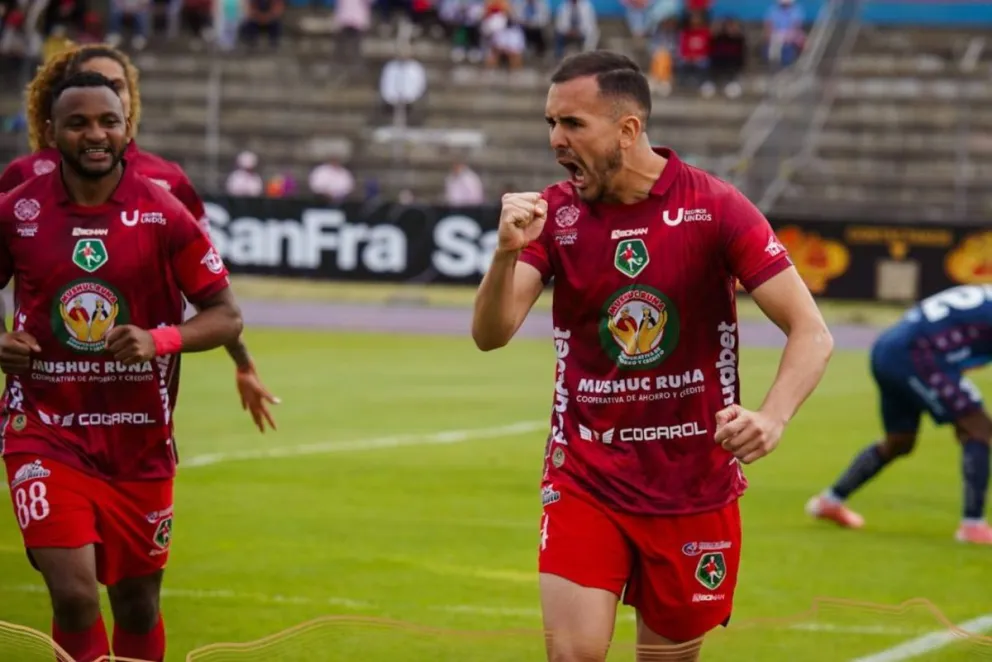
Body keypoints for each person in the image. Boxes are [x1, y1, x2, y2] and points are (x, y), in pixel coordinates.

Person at [471, 51, 833, 662]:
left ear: (628, 129)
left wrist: (771, 416)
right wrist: (505, 253)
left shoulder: (715, 207)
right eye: (550, 124)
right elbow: (492, 332)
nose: (557, 141)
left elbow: (811, 331)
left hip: (692, 486)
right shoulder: (555, 214)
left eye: (573, 124)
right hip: (584, 473)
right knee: (572, 656)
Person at [0, 71, 244, 662]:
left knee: (137, 603)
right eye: (78, 122)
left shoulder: (163, 212)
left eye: (108, 121)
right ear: (52, 131)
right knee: (76, 595)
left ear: (126, 127)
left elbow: (226, 314)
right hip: (44, 433)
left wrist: (160, 340)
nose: (95, 134)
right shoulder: (16, 210)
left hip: (139, 442)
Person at [0, 43, 278, 433]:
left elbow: (212, 292)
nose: (95, 127)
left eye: (116, 85)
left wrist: (242, 362)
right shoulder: (22, 183)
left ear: (128, 103)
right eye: (79, 116)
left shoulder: (167, 187)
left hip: (135, 406)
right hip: (43, 407)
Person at [807, 284, 992, 544]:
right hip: (919, 355)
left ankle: (829, 501)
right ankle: (973, 526)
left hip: (888, 349)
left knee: (900, 441)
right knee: (978, 428)